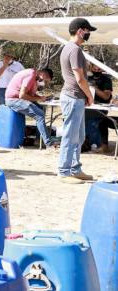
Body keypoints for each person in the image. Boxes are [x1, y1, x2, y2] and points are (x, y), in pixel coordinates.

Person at [58, 17, 96, 184]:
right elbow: (80, 78)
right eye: (87, 30)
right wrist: (89, 95)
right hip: (73, 97)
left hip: (74, 97)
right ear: (80, 30)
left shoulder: (69, 48)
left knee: (78, 136)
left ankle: (75, 169)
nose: (88, 34)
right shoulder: (75, 50)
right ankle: (64, 171)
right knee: (70, 136)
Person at [5, 68, 56, 148]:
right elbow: (22, 95)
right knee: (40, 115)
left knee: (41, 109)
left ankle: (39, 139)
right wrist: (39, 98)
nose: (43, 82)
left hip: (18, 98)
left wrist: (41, 97)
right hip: (13, 100)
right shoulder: (31, 75)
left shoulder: (34, 77)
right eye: (45, 80)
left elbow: (29, 94)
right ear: (43, 75)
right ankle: (49, 144)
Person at [84, 63, 113, 153]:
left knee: (95, 119)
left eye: (99, 69)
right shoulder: (87, 78)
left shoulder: (106, 80)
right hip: (88, 106)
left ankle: (101, 144)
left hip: (100, 108)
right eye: (94, 69)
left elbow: (106, 97)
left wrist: (94, 88)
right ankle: (84, 141)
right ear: (91, 68)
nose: (96, 71)